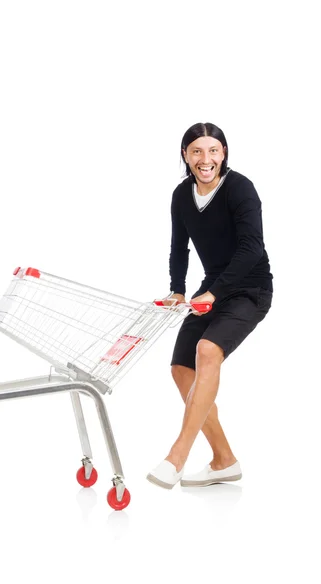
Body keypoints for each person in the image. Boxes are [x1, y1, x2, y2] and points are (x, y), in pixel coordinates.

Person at [147, 122, 273, 489]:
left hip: (250, 288)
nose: (206, 159)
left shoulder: (240, 189)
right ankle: (224, 460)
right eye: (197, 151)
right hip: (212, 288)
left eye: (213, 151)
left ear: (224, 154)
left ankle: (177, 456)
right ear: (185, 155)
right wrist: (177, 290)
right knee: (181, 369)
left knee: (207, 350)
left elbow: (253, 249)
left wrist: (214, 293)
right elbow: (178, 247)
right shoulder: (181, 195)